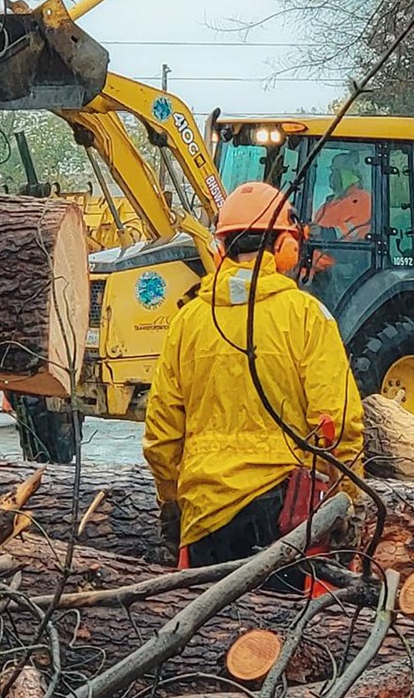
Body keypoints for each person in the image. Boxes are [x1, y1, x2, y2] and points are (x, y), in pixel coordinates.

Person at [143, 181, 365, 571]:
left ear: (220, 247)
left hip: (203, 518)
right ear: (284, 245)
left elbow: (162, 436)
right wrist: (347, 499)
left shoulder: (187, 321)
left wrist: (173, 504)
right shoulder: (307, 316)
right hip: (286, 517)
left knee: (209, 630)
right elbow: (338, 422)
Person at [312, 150, 373, 239]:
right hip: (317, 252)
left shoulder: (363, 199)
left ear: (346, 173)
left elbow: (351, 231)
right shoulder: (327, 206)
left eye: (335, 171)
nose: (332, 176)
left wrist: (324, 233)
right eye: (332, 171)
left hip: (348, 252)